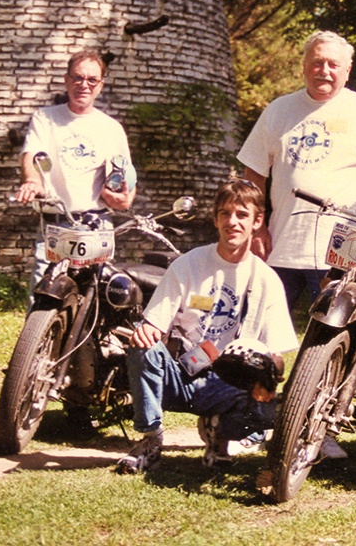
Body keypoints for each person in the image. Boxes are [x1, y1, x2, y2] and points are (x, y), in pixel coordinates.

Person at [237, 30, 356, 311]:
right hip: (279, 246)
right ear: (304, 66)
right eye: (316, 63)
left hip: (341, 251)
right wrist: (257, 226)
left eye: (333, 64)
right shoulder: (278, 110)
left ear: (347, 70)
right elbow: (253, 170)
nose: (324, 71)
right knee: (258, 330)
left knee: (330, 336)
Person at [116, 179, 299, 474]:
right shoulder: (188, 264)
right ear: (215, 219)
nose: (233, 222)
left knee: (269, 410)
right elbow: (154, 323)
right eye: (225, 214)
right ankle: (150, 438)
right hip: (182, 374)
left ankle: (220, 436)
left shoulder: (267, 280)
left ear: (257, 221)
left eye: (242, 215)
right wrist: (148, 330)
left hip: (230, 383)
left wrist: (269, 376)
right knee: (144, 347)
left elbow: (277, 354)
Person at [15, 49, 136, 301]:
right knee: (42, 297)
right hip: (55, 224)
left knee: (93, 298)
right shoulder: (45, 119)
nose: (84, 85)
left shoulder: (111, 128)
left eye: (92, 80)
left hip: (96, 225)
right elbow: (32, 155)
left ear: (101, 85)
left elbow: (126, 174)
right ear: (67, 80)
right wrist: (32, 181)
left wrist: (126, 199)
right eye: (78, 78)